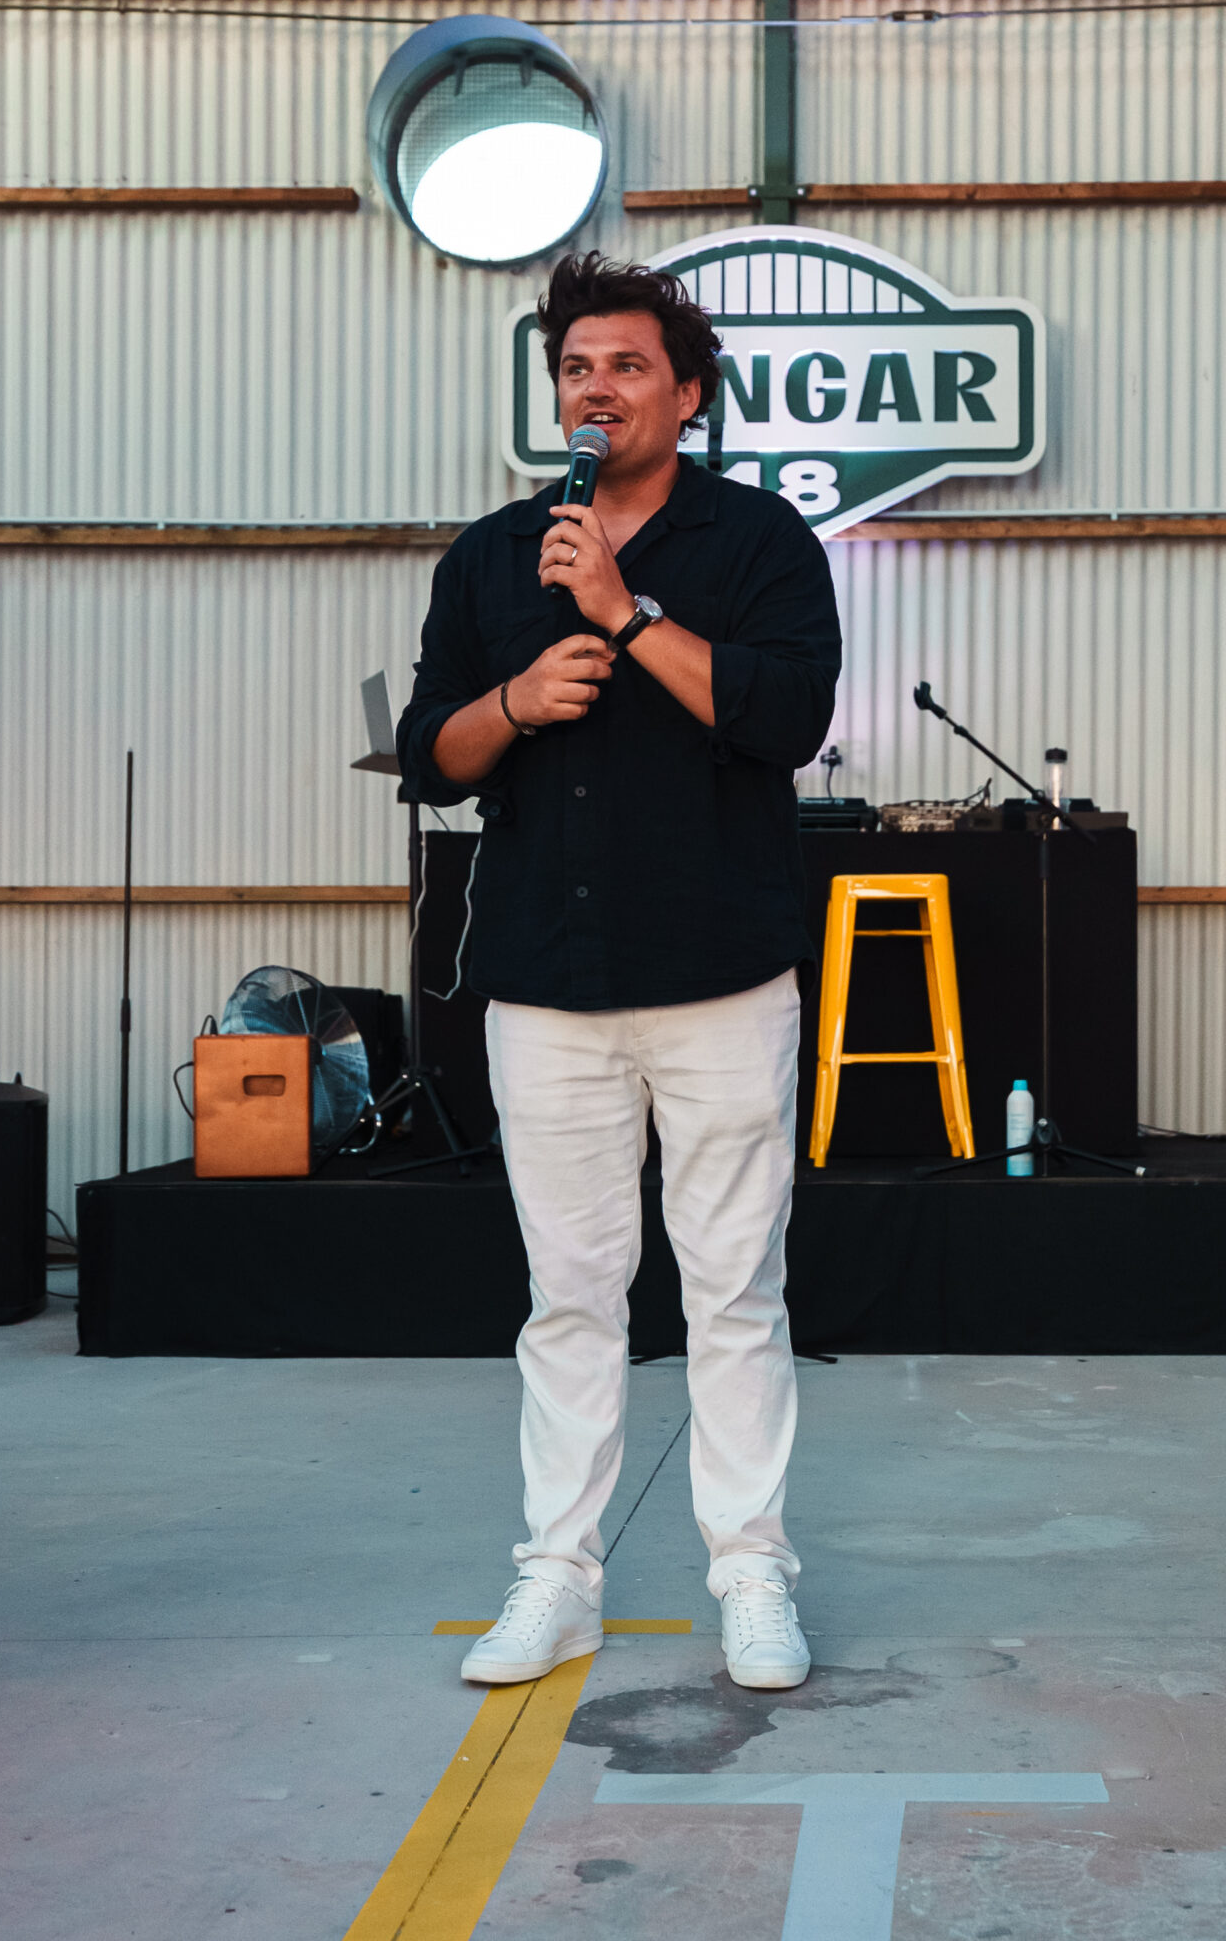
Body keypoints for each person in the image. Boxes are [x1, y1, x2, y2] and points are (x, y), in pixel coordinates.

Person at [399, 250, 842, 1692]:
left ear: (686, 393)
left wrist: (625, 613)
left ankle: (751, 1573)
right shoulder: (492, 556)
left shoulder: (760, 540)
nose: (597, 390)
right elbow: (431, 755)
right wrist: (512, 701)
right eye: (576, 369)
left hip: (719, 975)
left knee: (733, 1291)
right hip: (545, 979)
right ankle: (558, 1577)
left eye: (627, 367)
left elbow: (783, 719)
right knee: (571, 1295)